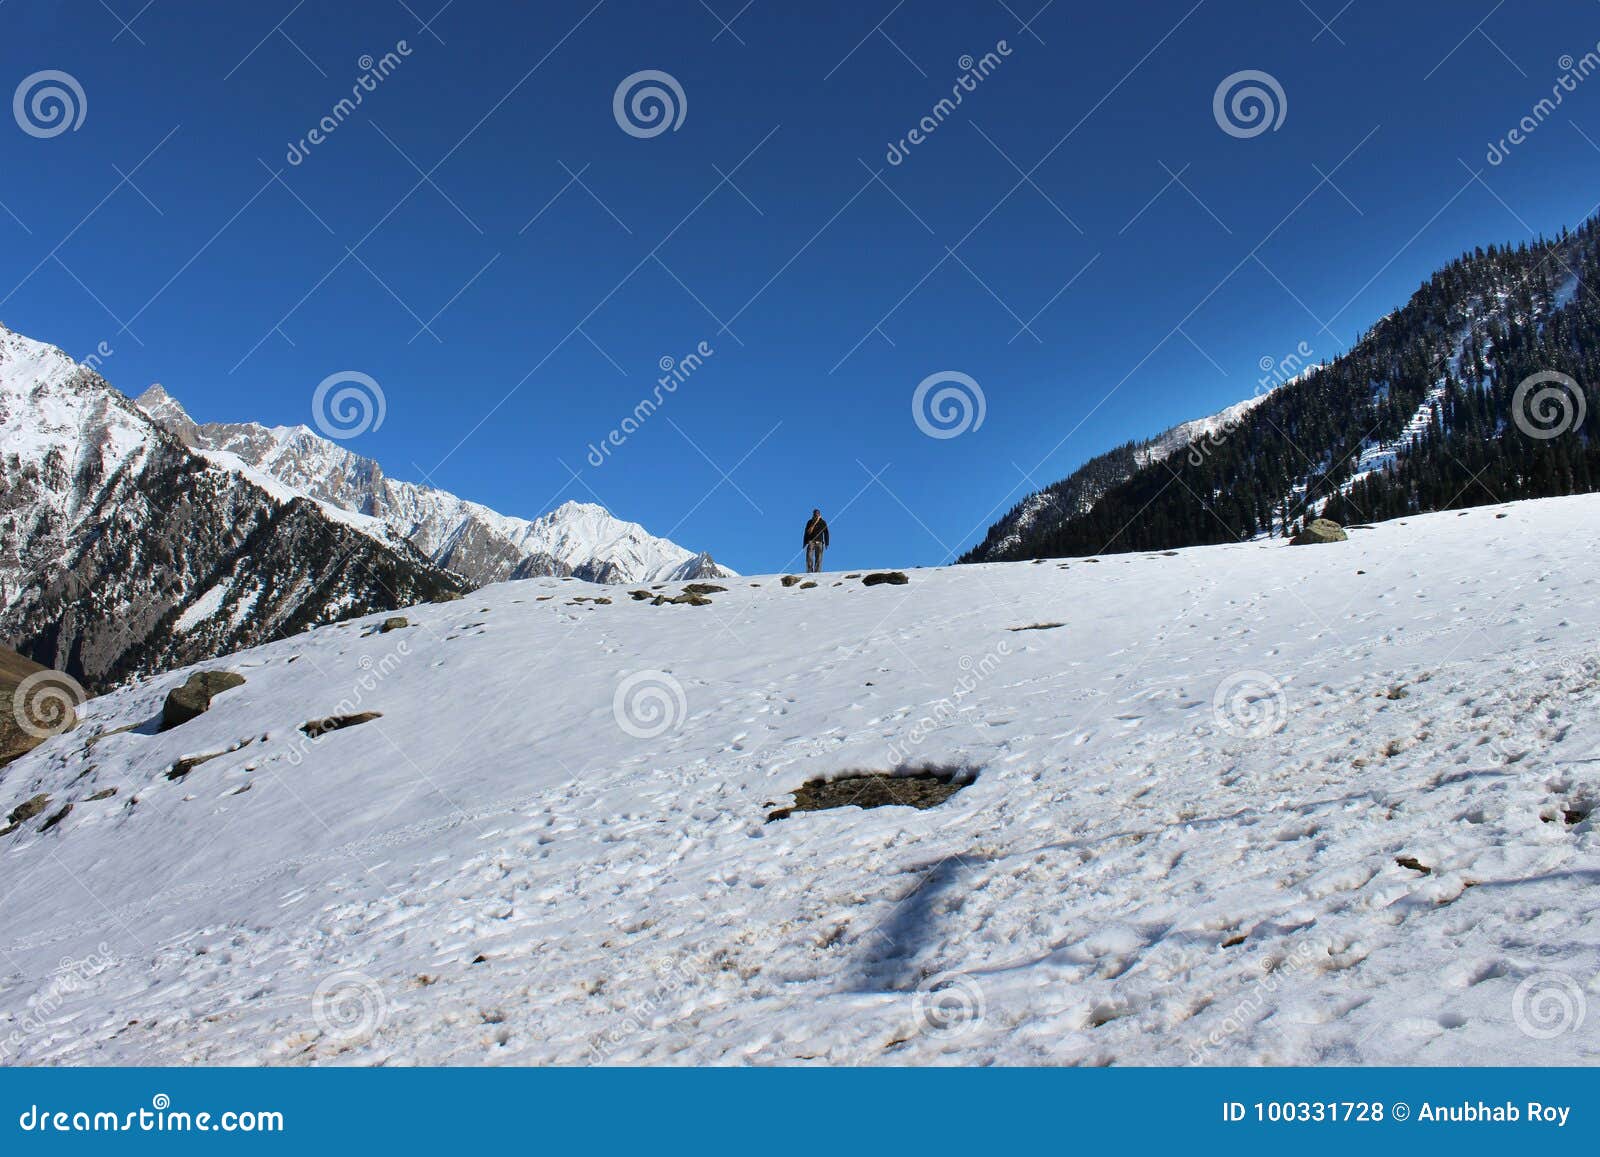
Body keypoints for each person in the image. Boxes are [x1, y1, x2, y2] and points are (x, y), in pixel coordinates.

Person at [803, 508, 829, 573]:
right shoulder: (809, 522)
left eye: (817, 514)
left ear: (819, 514)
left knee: (819, 558)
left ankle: (817, 571)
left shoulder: (823, 522)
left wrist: (826, 543)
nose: (816, 515)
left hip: (820, 542)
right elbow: (806, 533)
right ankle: (809, 570)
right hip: (811, 541)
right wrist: (804, 543)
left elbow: (826, 533)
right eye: (815, 514)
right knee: (809, 556)